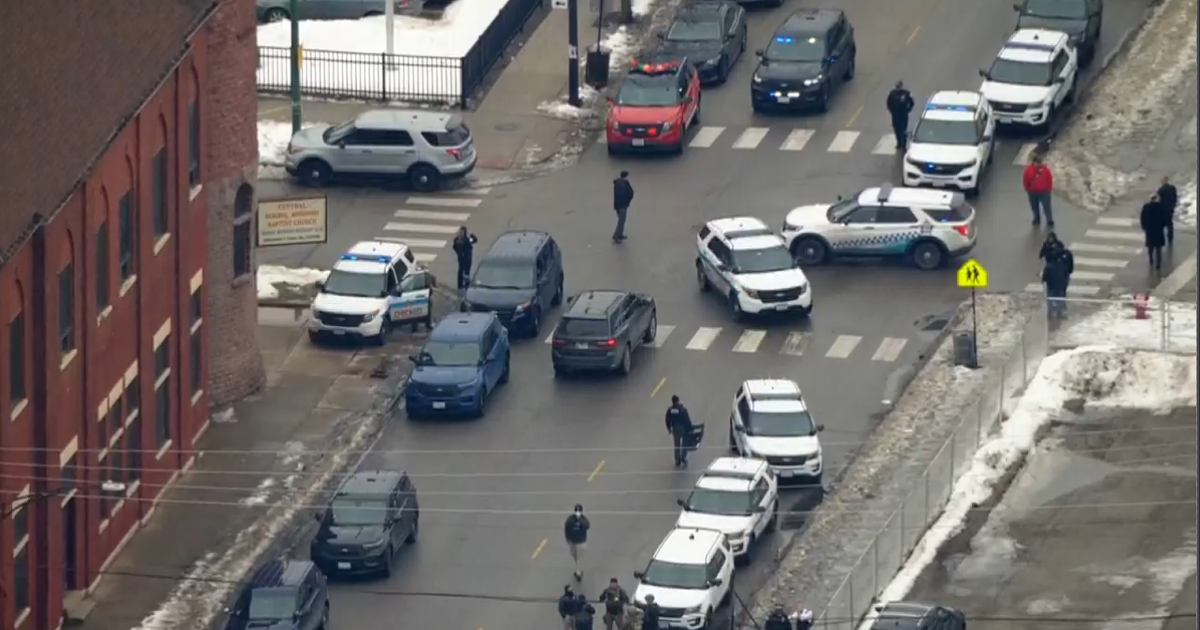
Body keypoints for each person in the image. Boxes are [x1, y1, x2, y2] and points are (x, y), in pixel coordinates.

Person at [1022, 154, 1055, 227]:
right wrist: (1027, 188)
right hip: (1032, 191)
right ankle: (1036, 219)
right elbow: (1025, 179)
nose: (1039, 164)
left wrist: (1049, 189)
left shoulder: (1045, 169)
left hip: (1044, 191)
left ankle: (1049, 220)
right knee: (1034, 206)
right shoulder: (1028, 169)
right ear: (1034, 162)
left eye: (1040, 162)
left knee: (1046, 206)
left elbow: (1049, 179)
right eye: (1037, 162)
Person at [1141, 193, 1170, 271]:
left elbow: (1143, 217)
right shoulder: (1161, 207)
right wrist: (1163, 225)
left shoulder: (1146, 207)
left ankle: (1151, 259)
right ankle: (1158, 263)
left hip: (1149, 229)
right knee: (1158, 248)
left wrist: (1144, 227)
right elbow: (1165, 218)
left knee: (1150, 246)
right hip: (1158, 229)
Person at [1042, 243, 1072, 319]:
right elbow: (1067, 273)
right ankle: (1059, 313)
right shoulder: (1062, 265)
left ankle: (1050, 313)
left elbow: (1044, 277)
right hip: (1060, 285)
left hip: (1051, 285)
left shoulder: (1049, 266)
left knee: (1050, 299)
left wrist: (1045, 280)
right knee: (1060, 299)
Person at [665, 395, 694, 468]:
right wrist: (690, 429)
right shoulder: (682, 409)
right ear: (678, 400)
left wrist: (669, 428)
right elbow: (686, 419)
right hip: (682, 428)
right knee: (685, 443)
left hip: (675, 428)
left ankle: (677, 460)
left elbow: (667, 419)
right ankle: (683, 457)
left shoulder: (670, 410)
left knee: (677, 445)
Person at [564, 504, 591, 581]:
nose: (578, 512)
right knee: (574, 556)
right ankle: (578, 569)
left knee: (580, 558)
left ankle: (578, 572)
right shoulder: (570, 519)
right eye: (576, 511)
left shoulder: (583, 519)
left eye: (579, 511)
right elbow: (566, 529)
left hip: (581, 542)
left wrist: (580, 520)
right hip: (572, 541)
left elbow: (587, 526)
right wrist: (567, 539)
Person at [885, 81, 915, 150]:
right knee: (896, 129)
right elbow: (888, 103)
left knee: (903, 129)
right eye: (897, 87)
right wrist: (891, 111)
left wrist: (908, 109)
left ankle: (903, 144)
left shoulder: (906, 93)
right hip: (895, 115)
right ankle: (898, 143)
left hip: (903, 114)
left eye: (899, 87)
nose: (898, 88)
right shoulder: (892, 93)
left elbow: (912, 102)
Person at [451, 227, 478, 291]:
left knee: (466, 272)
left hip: (468, 258)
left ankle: (466, 285)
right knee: (460, 271)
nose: (461, 233)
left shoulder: (467, 239)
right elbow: (454, 247)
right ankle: (460, 286)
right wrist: (459, 252)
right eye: (460, 232)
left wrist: (473, 236)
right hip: (461, 258)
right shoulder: (457, 240)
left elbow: (474, 241)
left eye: (462, 232)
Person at [612, 171, 634, 243]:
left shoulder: (617, 183)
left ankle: (620, 234)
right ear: (626, 176)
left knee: (621, 220)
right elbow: (630, 193)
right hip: (623, 205)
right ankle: (616, 235)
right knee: (621, 221)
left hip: (618, 205)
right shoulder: (624, 185)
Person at [1157, 175, 1178, 245]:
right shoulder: (1172, 188)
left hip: (1162, 209)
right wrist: (1173, 206)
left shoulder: (1161, 189)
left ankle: (1160, 237)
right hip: (1170, 208)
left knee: (1160, 224)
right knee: (1169, 223)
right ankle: (1170, 237)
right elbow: (1175, 197)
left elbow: (1159, 199)